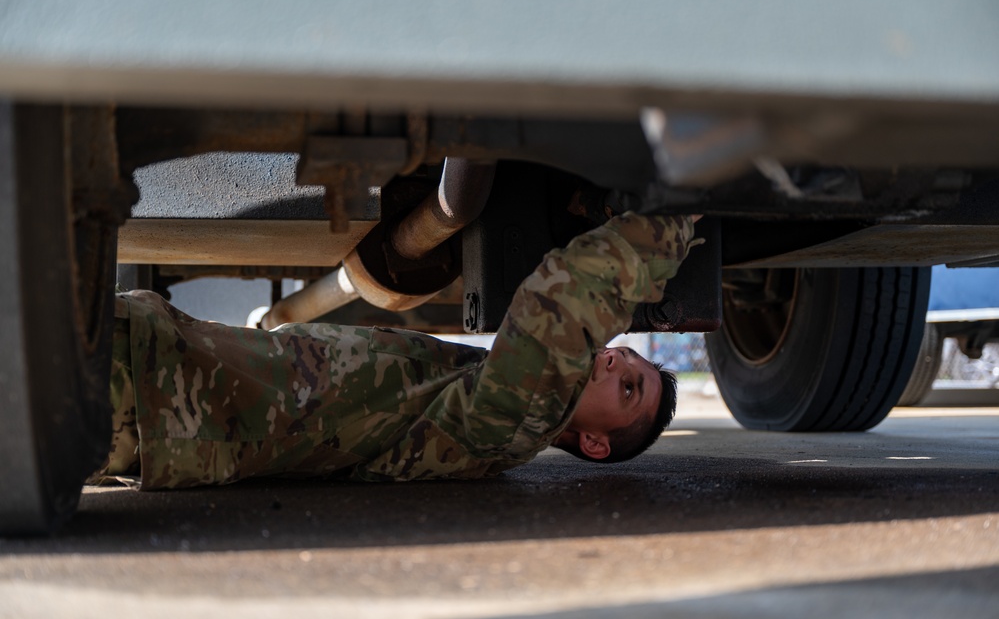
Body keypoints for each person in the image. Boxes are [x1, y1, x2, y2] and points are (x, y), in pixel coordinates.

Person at [90, 212, 701, 489]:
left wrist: (676, 219)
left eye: (630, 389)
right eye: (628, 360)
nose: (618, 361)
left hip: (143, 392)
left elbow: (560, 305)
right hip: (150, 374)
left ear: (593, 444)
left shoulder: (514, 424)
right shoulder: (485, 402)